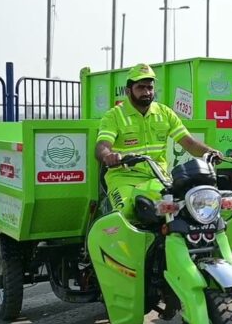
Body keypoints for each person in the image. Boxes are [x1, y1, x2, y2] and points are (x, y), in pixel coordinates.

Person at [95, 63, 224, 221]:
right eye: (141, 87)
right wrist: (109, 156)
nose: (146, 92)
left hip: (158, 178)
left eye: (150, 87)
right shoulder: (114, 116)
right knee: (126, 214)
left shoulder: (164, 113)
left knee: (179, 209)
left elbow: (189, 143)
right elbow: (102, 146)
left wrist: (210, 152)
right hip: (123, 179)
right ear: (128, 91)